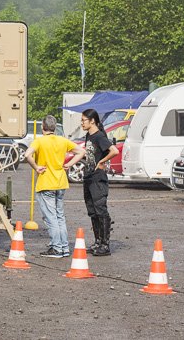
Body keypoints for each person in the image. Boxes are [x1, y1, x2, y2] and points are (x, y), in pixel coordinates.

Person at [23, 115, 86, 258]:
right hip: (61, 182)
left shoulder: (39, 141)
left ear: (42, 127)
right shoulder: (63, 140)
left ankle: (56, 248)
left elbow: (27, 155)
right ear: (55, 127)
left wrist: (36, 167)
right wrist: (69, 164)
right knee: (59, 216)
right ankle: (64, 247)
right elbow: (81, 152)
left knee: (50, 218)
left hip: (46, 183)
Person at [80, 108, 119, 256]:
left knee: (100, 210)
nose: (82, 123)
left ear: (92, 121)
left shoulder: (99, 136)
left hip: (98, 179)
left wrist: (102, 161)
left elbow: (114, 151)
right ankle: (97, 241)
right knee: (92, 211)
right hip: (88, 177)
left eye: (84, 120)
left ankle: (105, 244)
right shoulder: (88, 136)